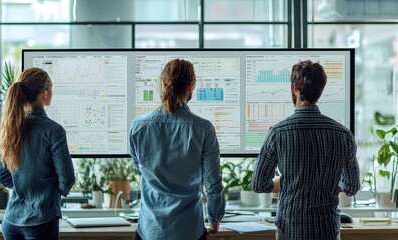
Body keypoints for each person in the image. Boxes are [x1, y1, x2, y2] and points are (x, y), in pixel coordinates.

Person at [251, 60, 360, 240]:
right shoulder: (343, 134)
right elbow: (352, 186)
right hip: (328, 228)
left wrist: (284, 182)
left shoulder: (278, 133)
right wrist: (333, 184)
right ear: (321, 90)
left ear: (295, 87)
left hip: (291, 226)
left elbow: (259, 184)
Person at [129, 59, 225, 240]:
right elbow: (212, 182)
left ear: (163, 84)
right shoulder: (203, 128)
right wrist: (215, 219)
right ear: (191, 86)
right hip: (189, 230)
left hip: (150, 229)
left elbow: (140, 170)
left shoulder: (138, 126)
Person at [0, 67, 75, 240]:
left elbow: (0, 175)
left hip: (11, 221)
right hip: (42, 220)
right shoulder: (54, 131)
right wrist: (50, 193)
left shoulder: (10, 127)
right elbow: (67, 180)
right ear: (45, 93)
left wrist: (22, 185)